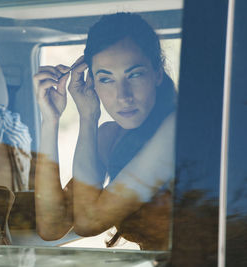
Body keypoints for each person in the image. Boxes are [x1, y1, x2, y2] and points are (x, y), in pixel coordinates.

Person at [33, 12, 176, 250]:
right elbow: (51, 226)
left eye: (135, 74)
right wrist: (55, 120)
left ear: (157, 74)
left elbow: (89, 222)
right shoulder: (110, 136)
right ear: (93, 83)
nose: (123, 96)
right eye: (106, 79)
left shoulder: (177, 129)